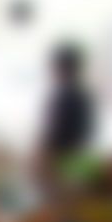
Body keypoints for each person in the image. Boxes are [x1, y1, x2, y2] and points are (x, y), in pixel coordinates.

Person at [40, 45, 95, 174]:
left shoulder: (68, 95)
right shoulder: (82, 95)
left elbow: (57, 132)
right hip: (76, 159)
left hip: (65, 161)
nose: (53, 72)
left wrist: (46, 155)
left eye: (56, 67)